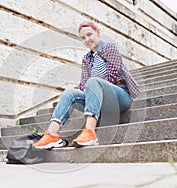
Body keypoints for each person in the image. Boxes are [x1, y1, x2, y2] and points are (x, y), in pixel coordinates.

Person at [33, 21, 140, 149]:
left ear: (98, 32)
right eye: (83, 38)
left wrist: (92, 88)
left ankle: (90, 132)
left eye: (89, 34)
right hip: (98, 101)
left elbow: (111, 76)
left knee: (93, 81)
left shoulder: (109, 48)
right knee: (69, 93)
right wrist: (91, 93)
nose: (87, 39)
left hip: (119, 97)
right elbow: (83, 84)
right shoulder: (86, 58)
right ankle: (52, 134)